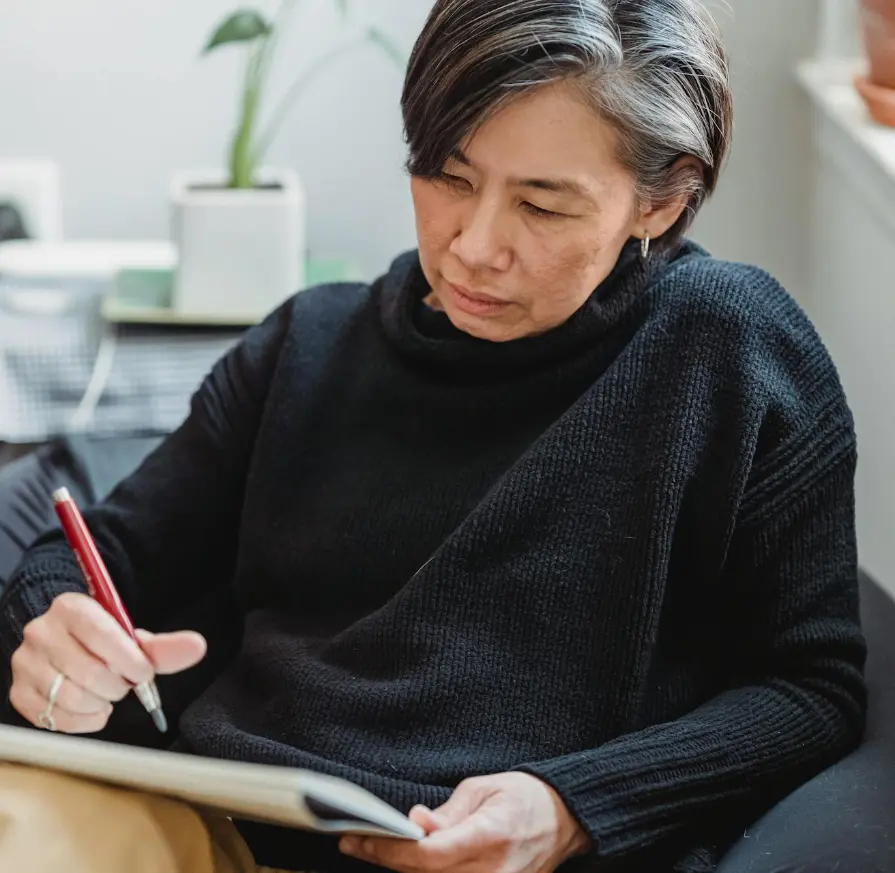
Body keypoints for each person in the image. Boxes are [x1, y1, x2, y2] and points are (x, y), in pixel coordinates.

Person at [0, 0, 867, 871]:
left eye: (542, 205)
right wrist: (53, 625)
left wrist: (573, 805)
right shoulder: (308, 344)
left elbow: (810, 687)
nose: (471, 246)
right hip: (216, 822)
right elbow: (91, 554)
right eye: (447, 177)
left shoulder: (729, 349)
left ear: (663, 198)